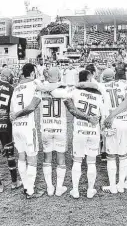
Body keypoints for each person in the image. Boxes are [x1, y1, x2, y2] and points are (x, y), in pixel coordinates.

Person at [40, 67, 98, 197]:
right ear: (59, 75)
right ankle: (59, 188)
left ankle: (50, 187)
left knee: (47, 158)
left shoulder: (41, 86)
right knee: (61, 158)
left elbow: (46, 88)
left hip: (45, 127)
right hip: (60, 127)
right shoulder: (65, 89)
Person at [69, 70, 106, 199]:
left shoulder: (74, 91)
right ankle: (90, 190)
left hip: (79, 129)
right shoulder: (99, 93)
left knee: (77, 161)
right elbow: (103, 113)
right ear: (89, 78)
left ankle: (75, 190)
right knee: (91, 162)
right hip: (93, 130)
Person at [10, 63, 42, 199]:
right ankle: (30, 191)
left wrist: (15, 116)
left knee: (21, 156)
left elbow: (11, 110)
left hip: (16, 127)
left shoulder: (16, 88)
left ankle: (25, 185)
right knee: (32, 158)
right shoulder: (35, 85)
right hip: (28, 126)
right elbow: (31, 107)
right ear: (33, 73)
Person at [99, 68, 127, 194]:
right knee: (124, 155)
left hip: (111, 123)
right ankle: (121, 184)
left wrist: (108, 117)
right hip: (126, 121)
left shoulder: (100, 86)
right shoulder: (124, 84)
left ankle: (113, 186)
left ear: (103, 77)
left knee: (111, 156)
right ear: (113, 76)